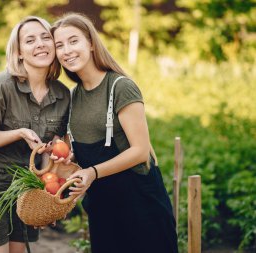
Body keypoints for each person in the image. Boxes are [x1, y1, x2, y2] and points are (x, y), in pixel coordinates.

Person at [51, 13, 178, 253]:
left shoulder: (120, 87)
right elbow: (77, 156)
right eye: (59, 45)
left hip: (141, 206)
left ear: (90, 42)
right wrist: (65, 166)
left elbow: (140, 152)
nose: (67, 50)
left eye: (73, 41)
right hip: (102, 209)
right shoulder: (72, 97)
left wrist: (93, 172)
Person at [0, 16, 71, 253]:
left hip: (27, 191)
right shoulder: (0, 87)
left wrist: (49, 195)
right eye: (30, 40)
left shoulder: (63, 95)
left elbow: (52, 151)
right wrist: (19, 132)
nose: (40, 44)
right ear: (19, 52)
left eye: (45, 37)